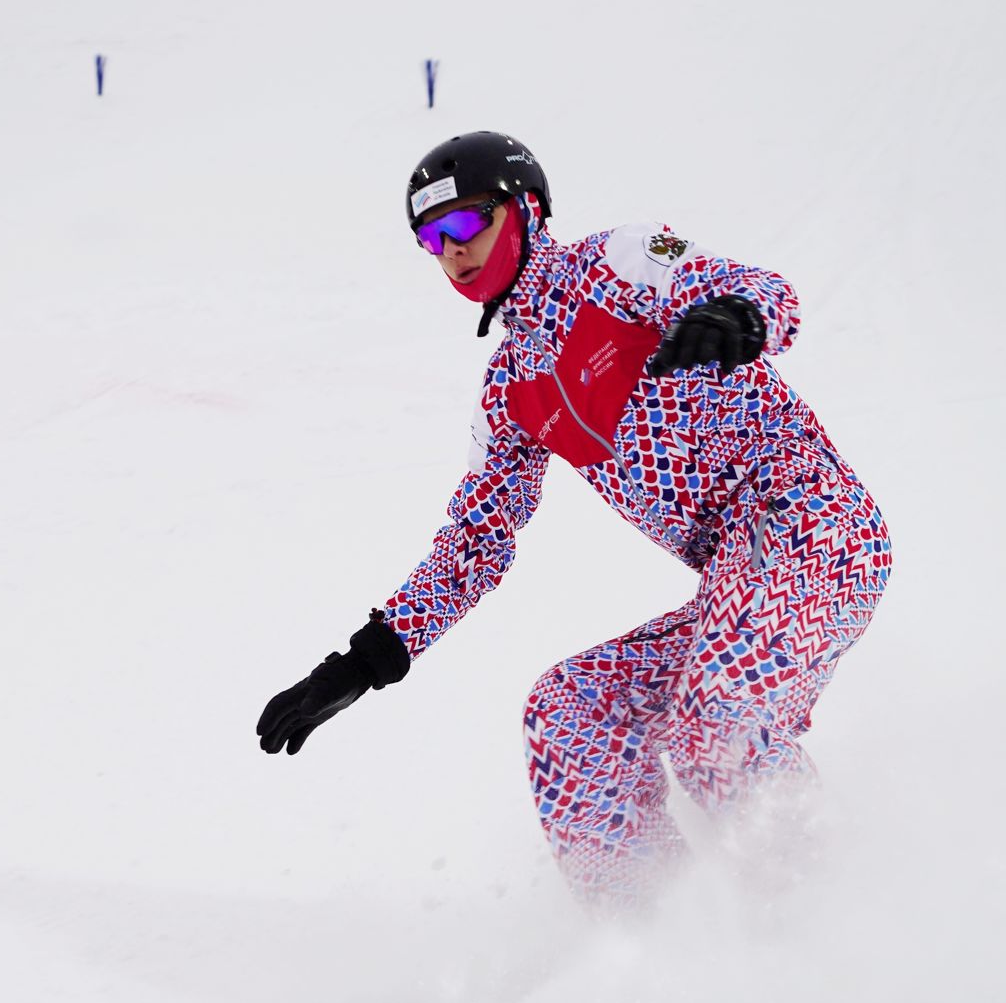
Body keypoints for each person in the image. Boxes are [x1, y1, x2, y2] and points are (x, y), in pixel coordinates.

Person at [256, 132, 891, 906]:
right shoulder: (512, 387)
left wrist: (736, 317)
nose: (450, 252)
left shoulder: (615, 264)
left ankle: (847, 924)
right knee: (571, 712)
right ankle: (665, 953)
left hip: (814, 522)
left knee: (715, 721)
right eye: (430, 239)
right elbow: (476, 540)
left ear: (524, 210)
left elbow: (759, 285)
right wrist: (366, 658)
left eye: (463, 224)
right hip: (742, 567)